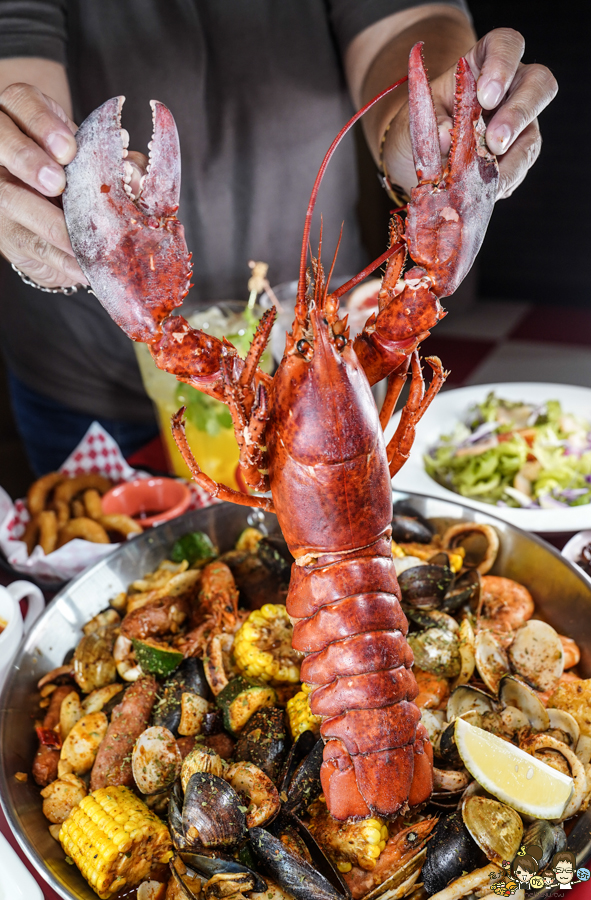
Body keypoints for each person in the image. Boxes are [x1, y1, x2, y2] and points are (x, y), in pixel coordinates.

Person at [0, 2, 558, 474]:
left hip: (331, 357)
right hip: (87, 372)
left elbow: (403, 19)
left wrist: (432, 133)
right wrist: (37, 175)